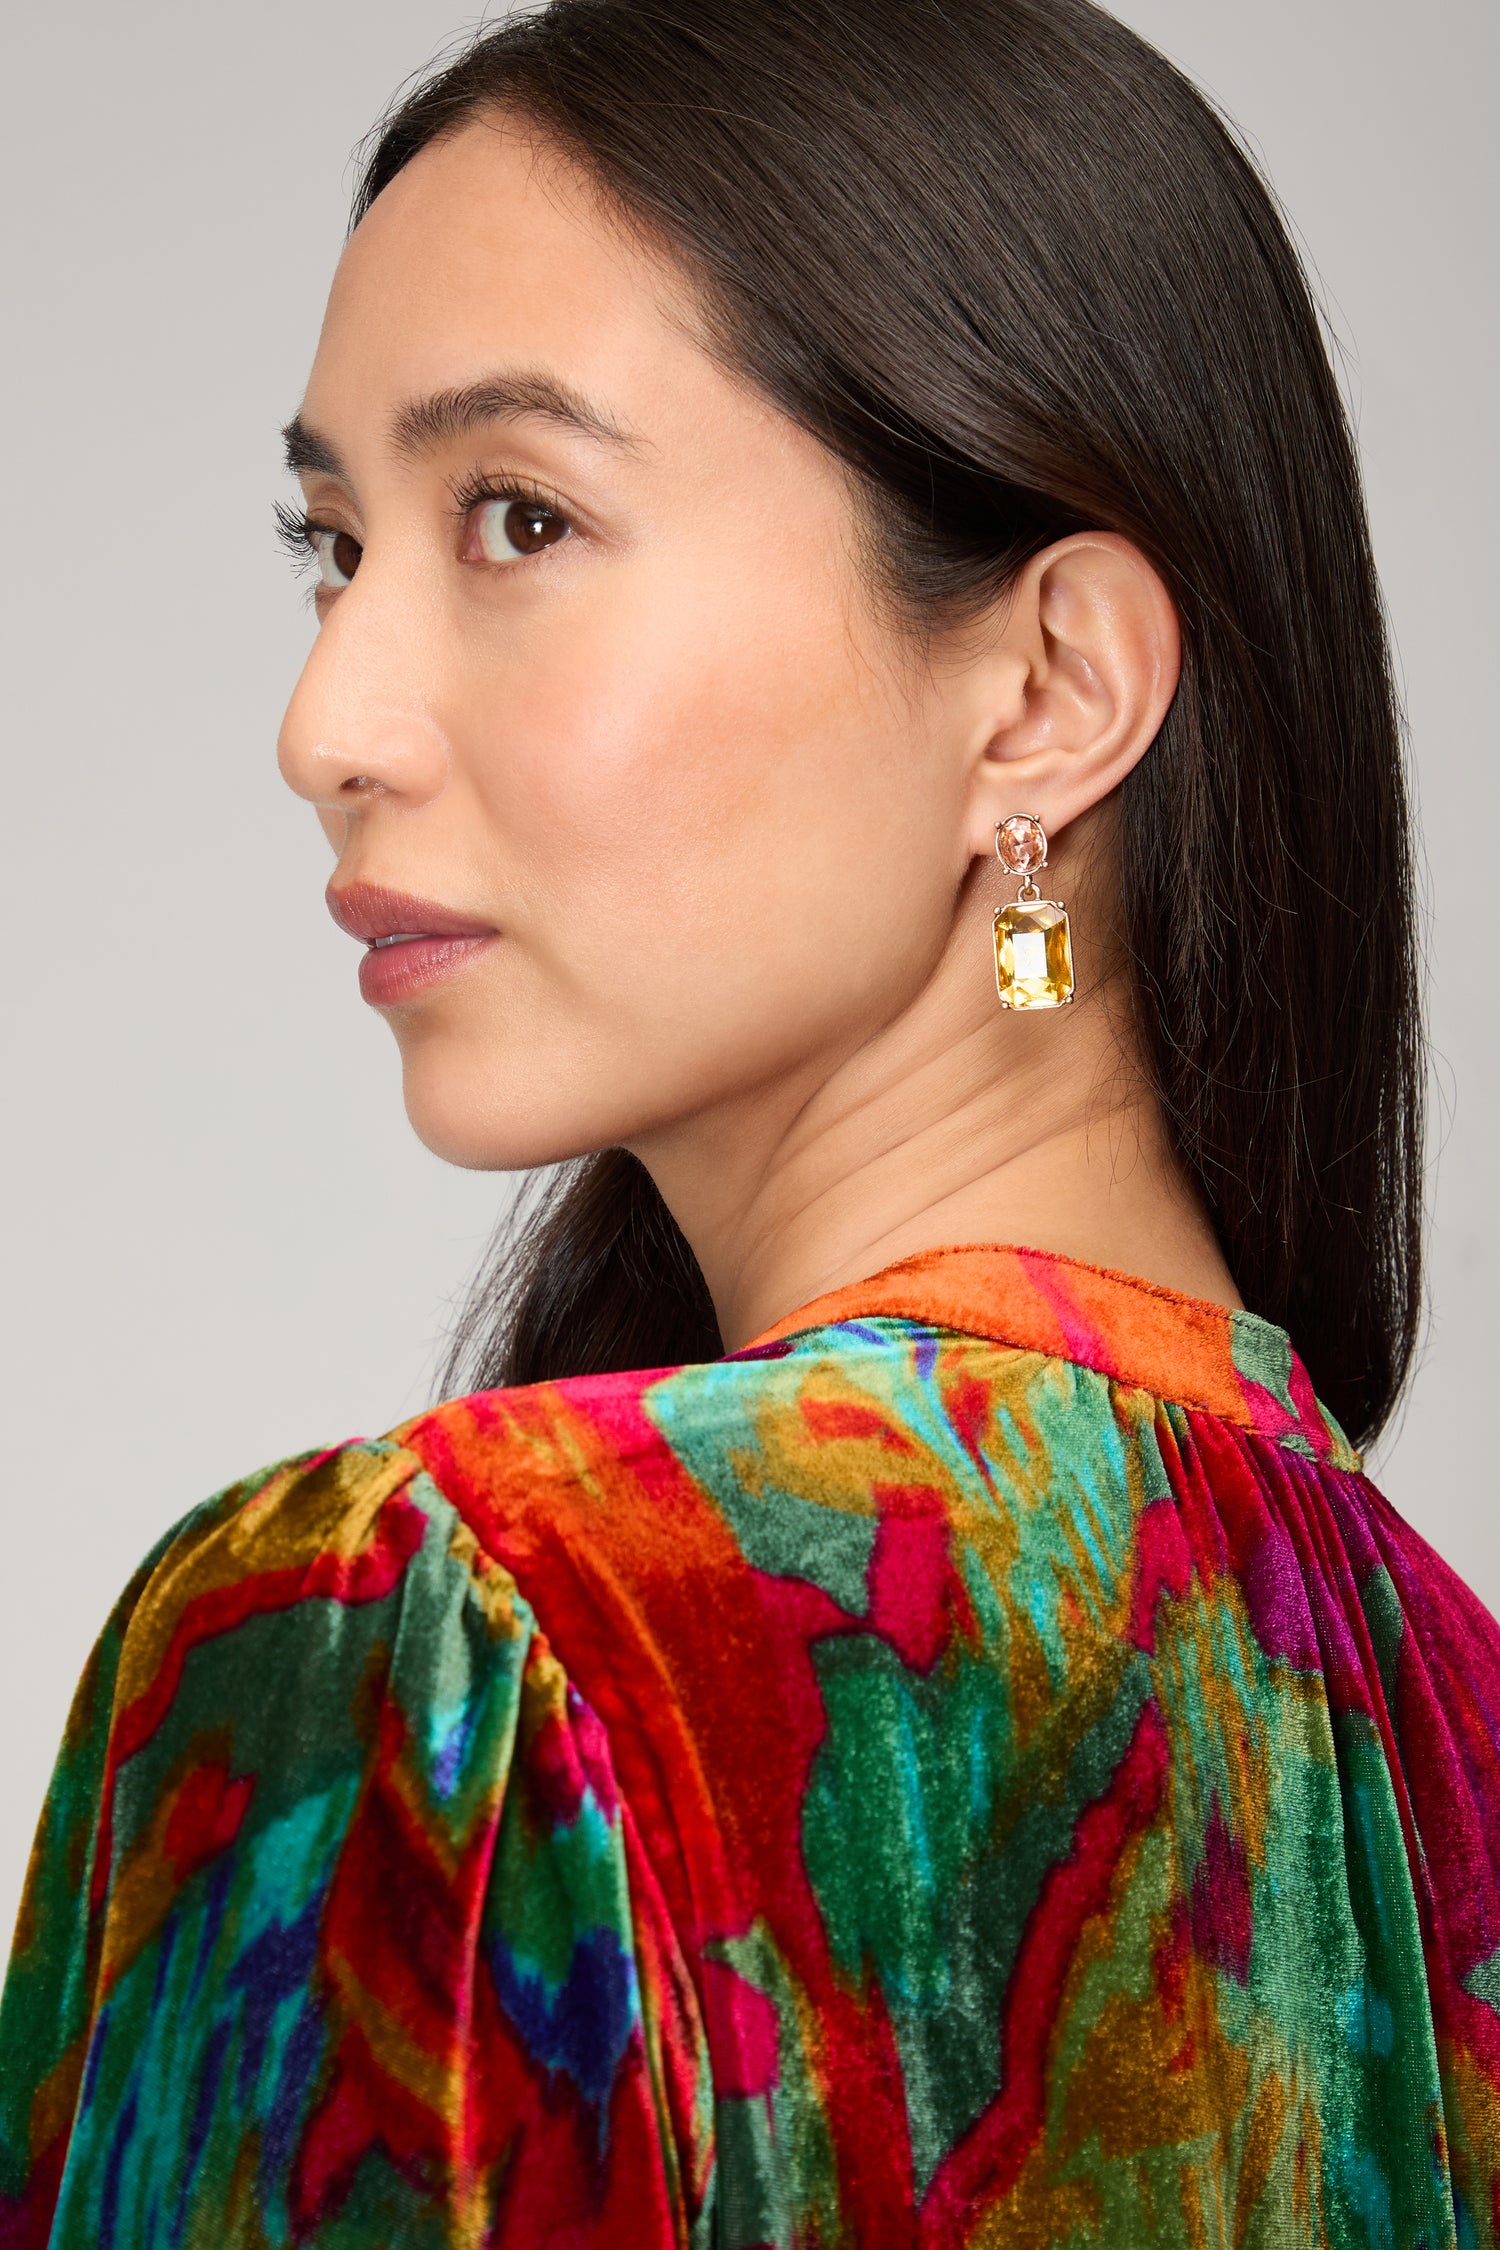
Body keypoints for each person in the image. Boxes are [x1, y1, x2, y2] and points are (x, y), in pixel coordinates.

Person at [2, 0, 1497, 2238]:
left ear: (1047, 688)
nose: (326, 720)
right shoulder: (1453, 1739)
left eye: (517, 515)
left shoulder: (443, 1635)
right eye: (334, 543)